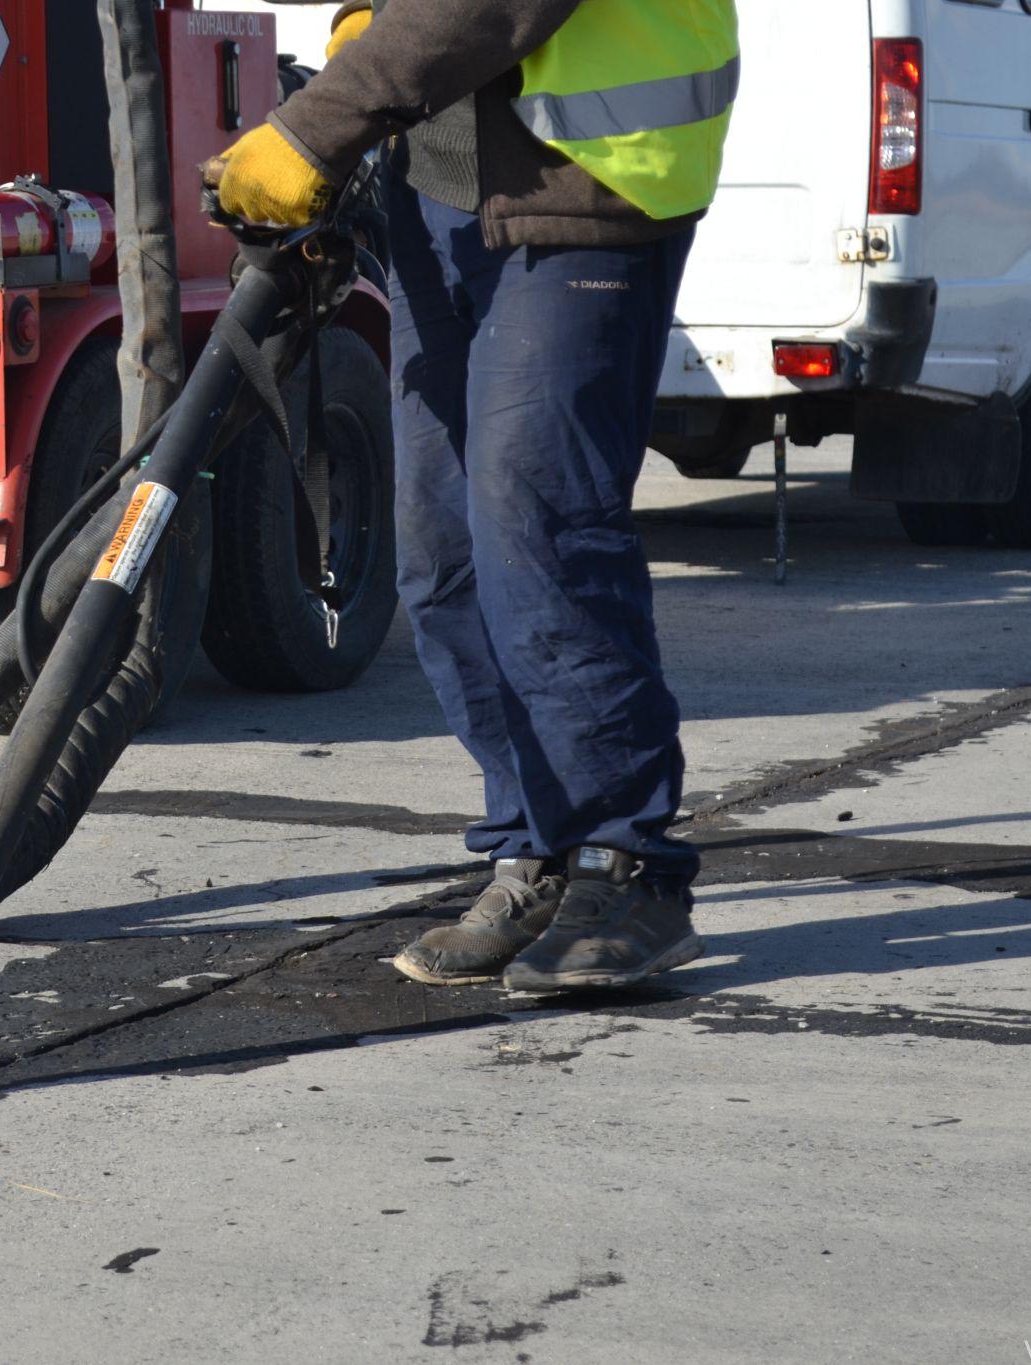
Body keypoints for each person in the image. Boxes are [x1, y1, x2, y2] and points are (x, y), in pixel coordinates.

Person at [211, 0, 738, 991]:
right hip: (439, 189)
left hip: (583, 185)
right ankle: (532, 847)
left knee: (536, 534)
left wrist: (322, 119)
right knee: (441, 553)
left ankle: (625, 867)